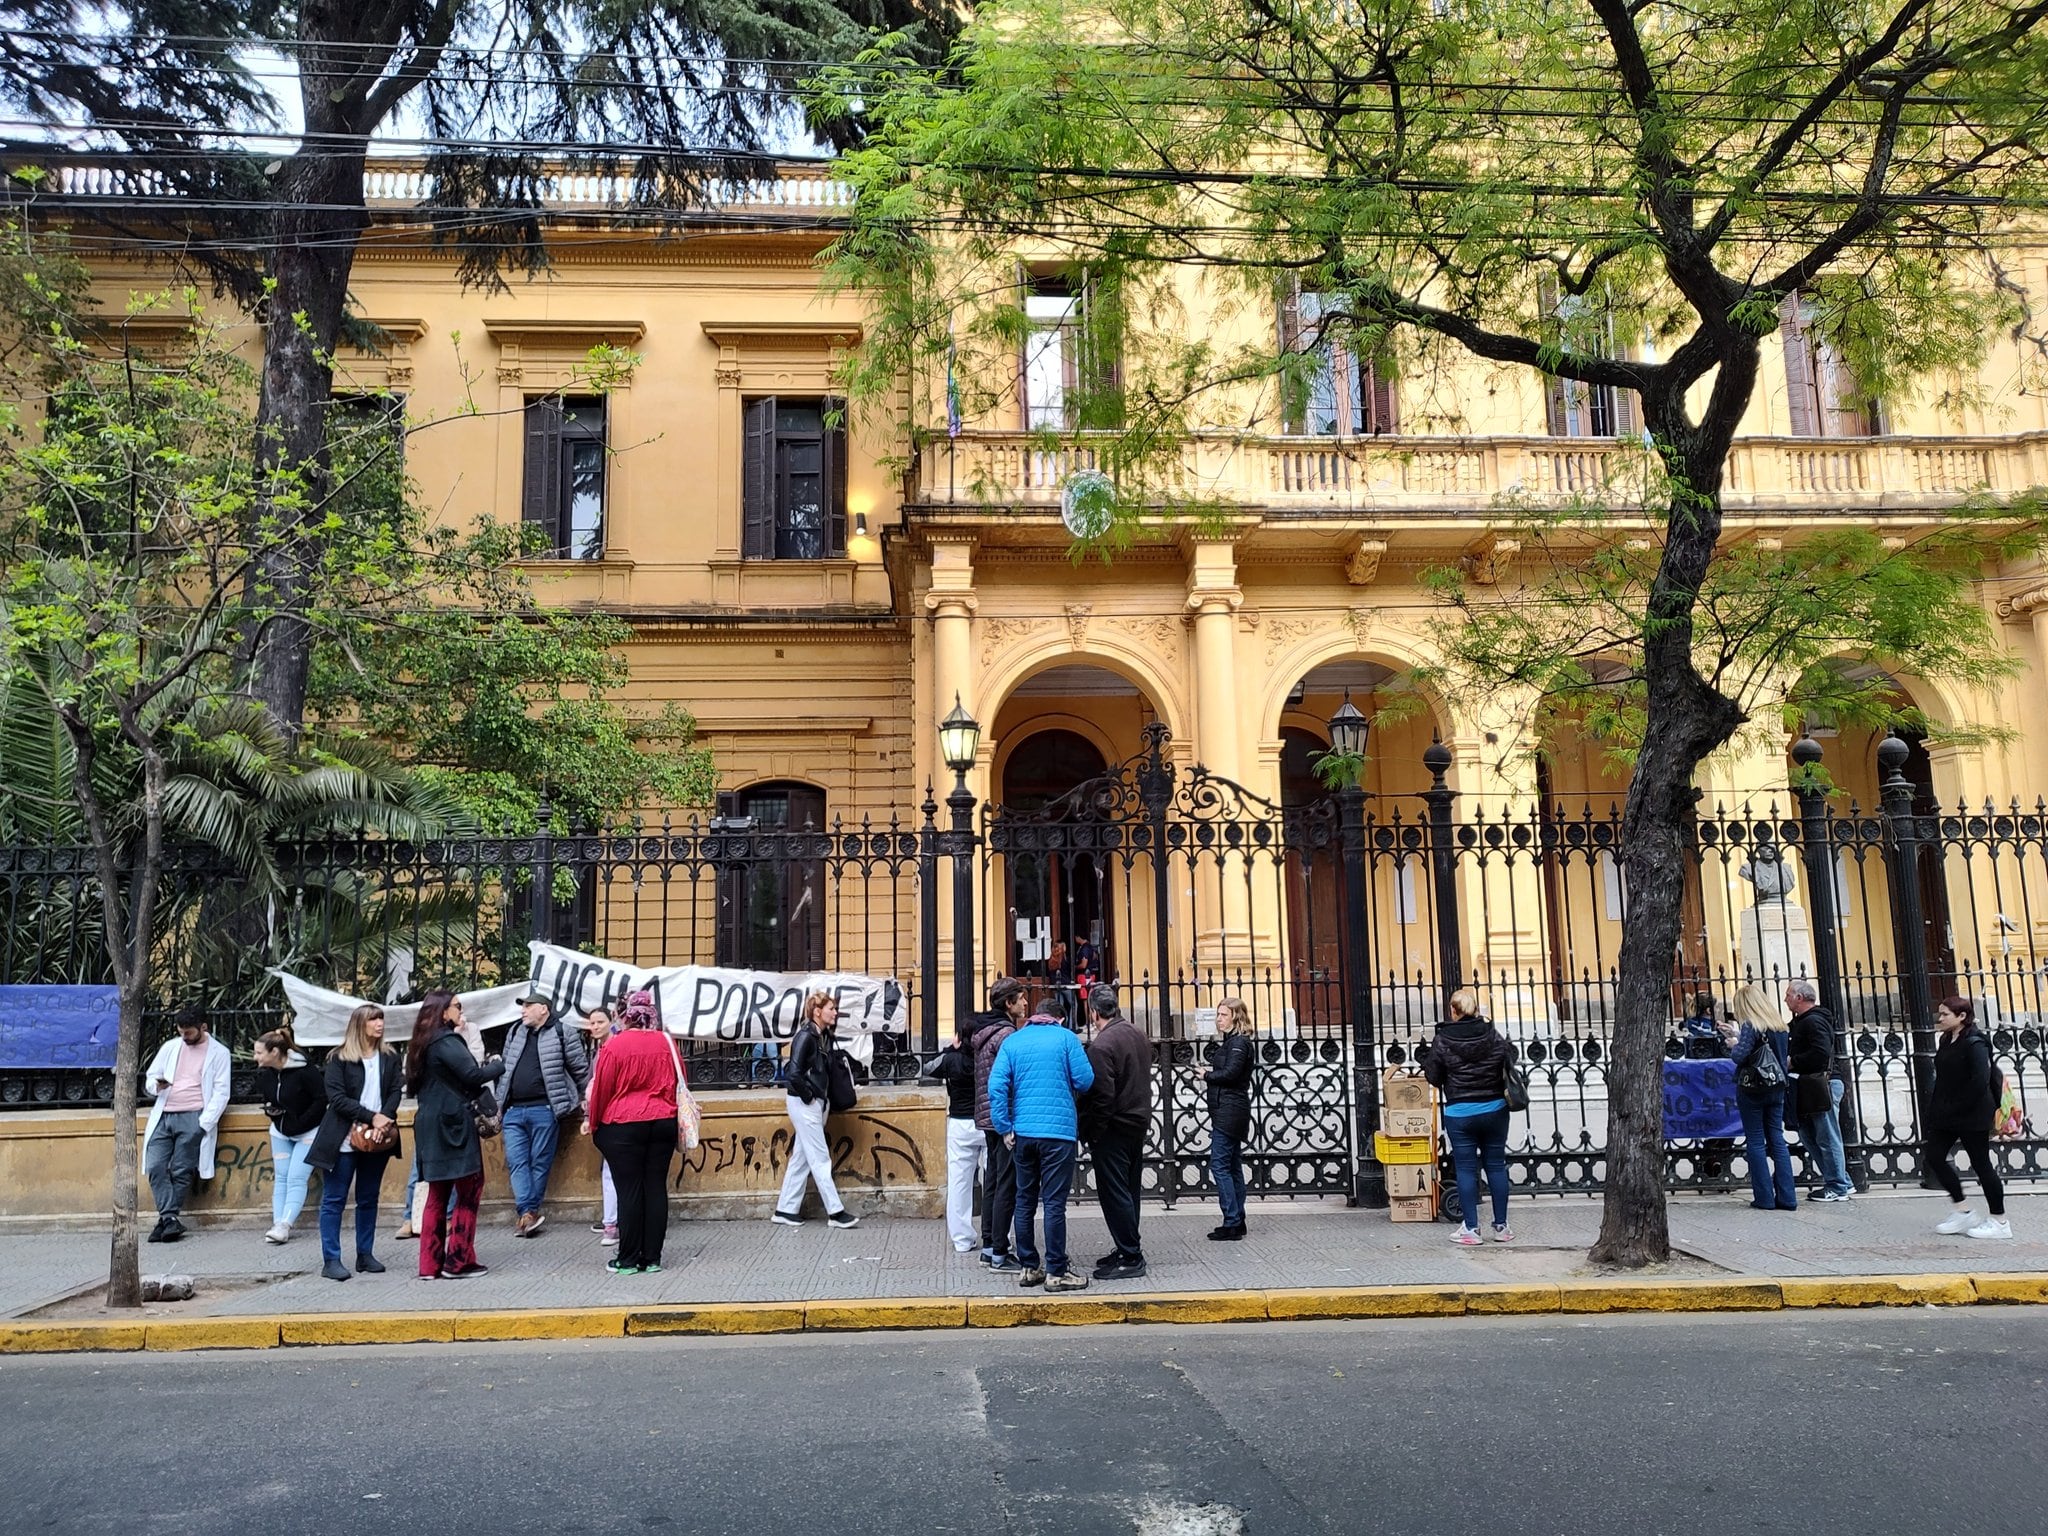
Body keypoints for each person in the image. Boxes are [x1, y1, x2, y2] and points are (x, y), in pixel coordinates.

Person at [988, 998, 1096, 1290]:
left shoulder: (1015, 1041)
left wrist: (1004, 1127)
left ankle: (1028, 1266)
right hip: (1058, 1134)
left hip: (1023, 1133)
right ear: (1059, 1019)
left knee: (1024, 1200)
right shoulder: (1066, 1039)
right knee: (1053, 1204)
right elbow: (1085, 1080)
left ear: (1036, 1016)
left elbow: (996, 1086)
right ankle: (1056, 1271)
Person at [405, 991, 504, 1279]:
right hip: (453, 1125)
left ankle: (429, 1265)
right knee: (470, 1187)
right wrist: (497, 1064)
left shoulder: (421, 1043)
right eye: (457, 1006)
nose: (461, 1011)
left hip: (429, 1123)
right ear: (443, 1011)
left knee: (437, 1192)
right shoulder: (446, 1041)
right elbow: (472, 1075)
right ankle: (458, 1260)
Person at [585, 988, 684, 1275]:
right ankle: (652, 1257)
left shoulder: (615, 1046)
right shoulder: (667, 1042)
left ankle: (627, 1259)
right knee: (655, 1187)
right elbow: (681, 1081)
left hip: (623, 1125)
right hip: (663, 1121)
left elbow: (602, 1089)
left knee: (628, 1190)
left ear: (625, 1014)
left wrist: (595, 1125)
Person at [308, 1003, 403, 1281]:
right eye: (374, 1020)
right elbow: (336, 1099)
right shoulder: (339, 1058)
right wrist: (371, 1117)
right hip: (343, 1139)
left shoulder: (389, 1056)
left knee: (368, 1197)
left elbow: (397, 1089)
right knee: (334, 1199)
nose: (380, 1024)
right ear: (359, 1025)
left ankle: (365, 1254)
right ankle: (331, 1259)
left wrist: (384, 1117)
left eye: (381, 1019)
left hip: (378, 1138)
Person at [1419, 988, 1515, 1244]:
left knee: (1465, 1168)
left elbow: (1434, 1077)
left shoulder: (1443, 1039)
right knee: (1495, 1165)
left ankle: (1471, 1229)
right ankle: (1502, 1227)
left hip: (1460, 1112)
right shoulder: (1492, 1034)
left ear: (1454, 1010)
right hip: (1495, 1108)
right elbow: (1508, 1060)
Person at [495, 988, 592, 1238]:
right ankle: (528, 1211)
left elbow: (580, 1070)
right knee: (517, 1161)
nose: (523, 1011)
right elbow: (506, 1068)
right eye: (523, 1006)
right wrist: (498, 1105)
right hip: (513, 1110)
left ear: (543, 1009)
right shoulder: (516, 1031)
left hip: (546, 1109)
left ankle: (528, 1213)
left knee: (539, 1162)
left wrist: (587, 1100)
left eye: (528, 1006)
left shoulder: (563, 1032)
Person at [141, 1004, 232, 1243]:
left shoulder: (219, 1053)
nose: (185, 1037)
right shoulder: (171, 1047)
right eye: (181, 1032)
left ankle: (167, 1219)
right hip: (164, 1114)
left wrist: (203, 1124)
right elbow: (151, 1076)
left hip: (194, 1116)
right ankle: (169, 1219)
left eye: (189, 1032)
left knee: (182, 1170)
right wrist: (156, 1086)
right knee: (155, 1166)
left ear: (203, 1027)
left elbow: (222, 1092)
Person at [1079, 984, 1152, 1281]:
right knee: (1129, 1190)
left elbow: (1102, 1096)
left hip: (1114, 1127)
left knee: (1114, 1193)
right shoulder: (1137, 1034)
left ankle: (1131, 1255)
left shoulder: (1102, 1045)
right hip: (1137, 1121)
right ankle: (1126, 1247)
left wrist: (1094, 1132)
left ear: (1094, 1012)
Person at [770, 992, 861, 1229]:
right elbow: (794, 1073)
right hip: (804, 1104)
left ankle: (785, 1209)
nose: (835, 1012)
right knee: (820, 1158)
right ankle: (836, 1212)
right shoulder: (806, 1037)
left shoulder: (820, 1035)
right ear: (817, 1011)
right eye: (831, 1008)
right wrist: (809, 1097)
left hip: (813, 1103)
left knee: (801, 1158)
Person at [1926, 995, 2010, 1239]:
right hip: (1948, 1113)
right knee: (1935, 1157)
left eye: (1945, 1014)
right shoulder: (1946, 1039)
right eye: (1939, 1013)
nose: (1940, 1018)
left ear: (1962, 1016)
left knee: (1981, 1164)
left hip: (1973, 1113)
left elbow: (1979, 1082)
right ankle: (1963, 1211)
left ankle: (2000, 1221)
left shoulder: (1975, 1043)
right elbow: (1943, 1078)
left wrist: (1955, 1107)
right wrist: (1937, 1109)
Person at [1720, 982, 1797, 1211]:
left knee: (1755, 1140)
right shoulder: (1780, 1026)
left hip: (1752, 1088)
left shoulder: (1751, 1025)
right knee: (1777, 1139)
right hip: (1777, 1087)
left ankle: (1764, 1198)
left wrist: (1733, 1044)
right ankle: (1788, 1197)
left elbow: (1740, 1056)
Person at [971, 979, 1029, 1271]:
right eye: (1020, 999)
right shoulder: (1006, 1035)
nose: (1025, 1004)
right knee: (1006, 1182)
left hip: (986, 1115)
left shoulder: (984, 1031)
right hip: (1002, 1117)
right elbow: (1009, 1080)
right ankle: (1000, 1253)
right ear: (1008, 1004)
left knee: (993, 1178)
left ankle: (989, 1244)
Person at [251, 1024, 325, 1245]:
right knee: (282, 1176)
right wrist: (272, 1112)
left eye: (258, 1052)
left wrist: (302, 1122)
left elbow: (321, 1099)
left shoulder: (304, 1070)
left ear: (274, 1052)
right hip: (280, 1132)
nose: (255, 1057)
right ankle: (278, 1223)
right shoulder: (267, 1075)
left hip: (308, 1131)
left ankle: (286, 1223)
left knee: (296, 1177)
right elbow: (271, 1099)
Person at [1785, 979, 1853, 1202]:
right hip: (1809, 1084)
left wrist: (1793, 1061)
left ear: (1799, 998)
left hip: (1821, 1083)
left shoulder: (1814, 1021)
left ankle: (1837, 1185)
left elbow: (1821, 1053)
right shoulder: (1803, 1021)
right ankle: (1840, 1179)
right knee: (1809, 1134)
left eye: (1788, 995)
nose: (1785, 999)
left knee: (1826, 1135)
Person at [1197, 995, 1255, 1242]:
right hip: (1227, 1109)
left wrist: (1207, 1075)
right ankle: (1237, 1219)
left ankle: (1231, 1221)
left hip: (1230, 1111)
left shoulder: (1239, 1043)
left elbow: (1231, 1073)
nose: (1218, 1019)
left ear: (1235, 1017)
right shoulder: (1233, 1042)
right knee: (1232, 1165)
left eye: (1223, 1015)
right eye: (1218, 1014)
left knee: (1220, 1165)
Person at [928, 1018, 985, 1255]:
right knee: (994, 1180)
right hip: (985, 1121)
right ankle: (998, 1234)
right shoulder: (986, 1059)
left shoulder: (951, 1060)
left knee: (959, 1181)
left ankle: (962, 1238)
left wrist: (951, 1048)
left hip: (960, 1123)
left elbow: (928, 1068)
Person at [580, 1003, 622, 1245]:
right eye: (592, 1023)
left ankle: (612, 1223)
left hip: (615, 1117)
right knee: (610, 1170)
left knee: (612, 1171)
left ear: (612, 1021)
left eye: (600, 1022)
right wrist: (588, 1116)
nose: (594, 1027)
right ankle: (612, 1220)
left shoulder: (614, 1048)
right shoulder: (599, 1050)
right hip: (604, 1117)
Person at [1679, 991, 1725, 1059]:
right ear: (1709, 1010)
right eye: (1716, 1007)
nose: (1718, 1010)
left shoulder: (1689, 1024)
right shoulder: (1711, 1028)